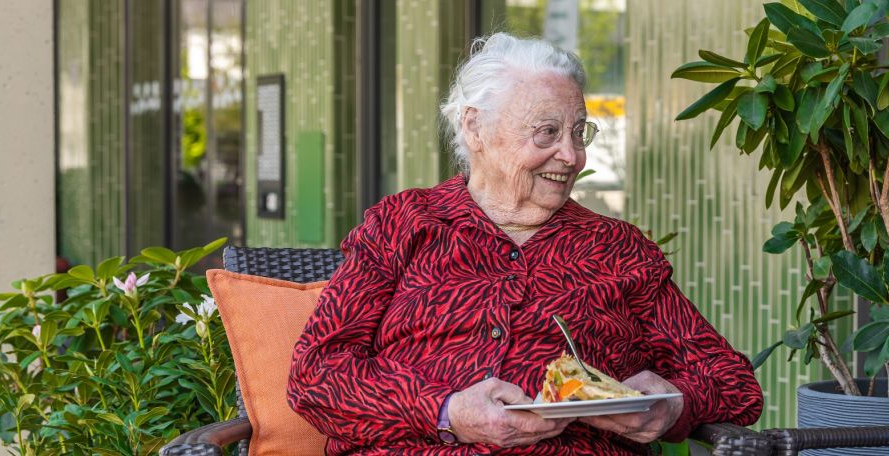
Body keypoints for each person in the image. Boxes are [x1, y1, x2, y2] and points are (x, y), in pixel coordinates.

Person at [286, 33, 763, 455]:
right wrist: (447, 410)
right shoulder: (402, 225)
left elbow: (735, 384)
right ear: (475, 128)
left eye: (579, 132)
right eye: (547, 132)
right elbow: (316, 375)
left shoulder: (616, 249)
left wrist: (670, 406)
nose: (572, 156)